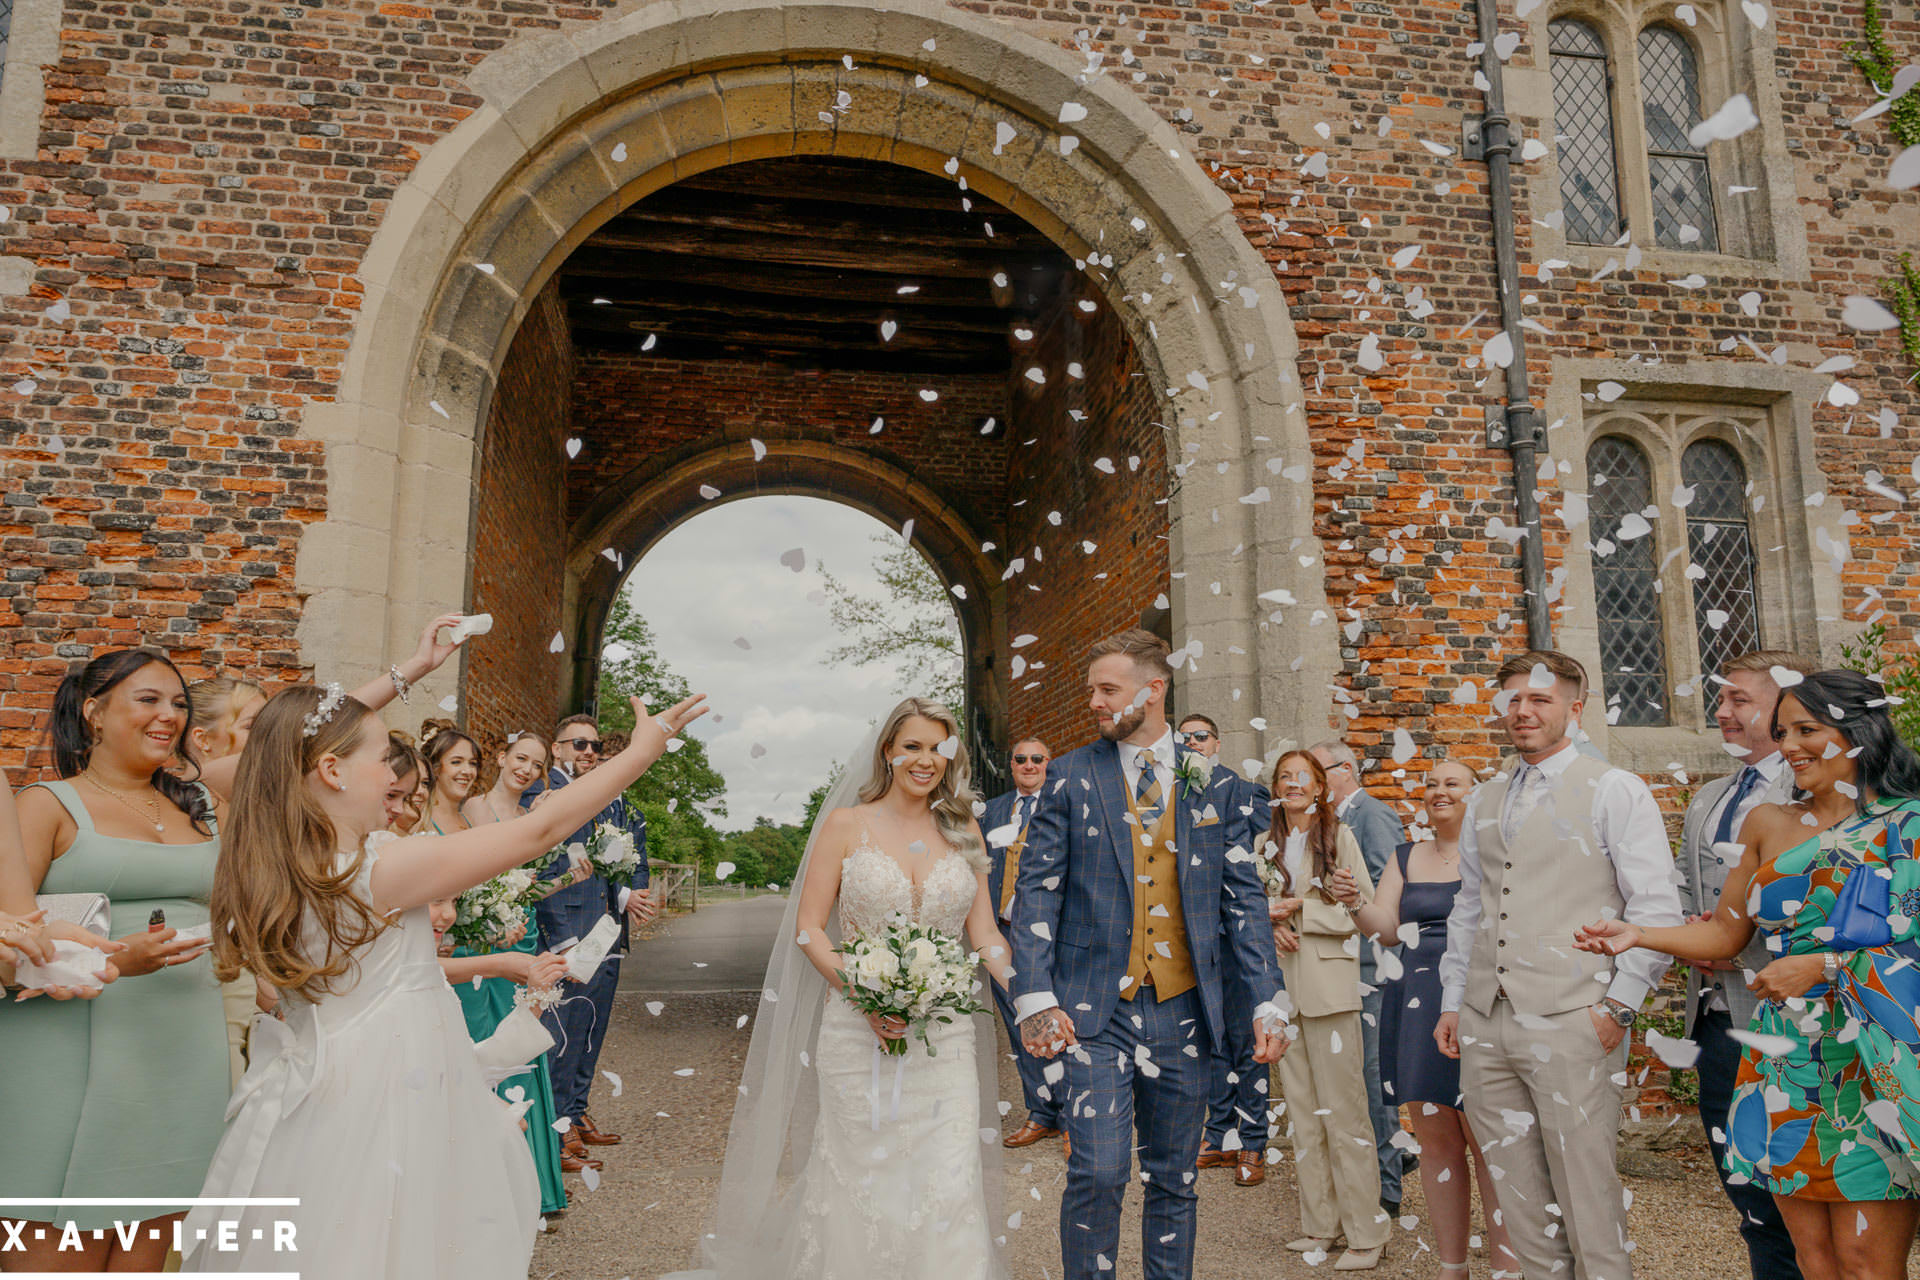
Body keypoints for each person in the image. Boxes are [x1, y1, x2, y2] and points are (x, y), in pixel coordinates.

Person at [187, 681, 705, 1277]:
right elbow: (534, 834)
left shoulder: (291, 859)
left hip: (326, 1092)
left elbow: (249, 771)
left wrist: (323, 722)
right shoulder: (375, 873)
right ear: (329, 770)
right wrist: (640, 751)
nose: (398, 777)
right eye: (383, 758)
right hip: (388, 1096)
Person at [1576, 668, 1920, 1280]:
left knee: (1868, 1261)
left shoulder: (1910, 823)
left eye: (1807, 730)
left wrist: (1828, 964)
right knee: (1811, 1258)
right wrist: (1638, 934)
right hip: (1785, 1061)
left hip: (1875, 1060)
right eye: (1783, 730)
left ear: (1861, 731)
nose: (1788, 746)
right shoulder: (1767, 822)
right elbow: (1726, 935)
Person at [662, 697, 1016, 1280]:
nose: (925, 760)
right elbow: (808, 929)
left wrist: (1028, 997)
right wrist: (869, 998)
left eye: (937, 749)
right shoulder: (848, 824)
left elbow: (984, 932)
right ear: (887, 751)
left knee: (947, 1178)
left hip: (945, 1036)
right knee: (863, 1175)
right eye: (912, 747)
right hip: (857, 1027)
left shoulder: (963, 828)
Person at [1011, 629, 1287, 1280]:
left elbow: (1243, 900)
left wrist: (1268, 998)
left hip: (1185, 1013)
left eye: (1108, 689)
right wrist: (1035, 994)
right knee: (1100, 1169)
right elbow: (1036, 893)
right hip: (1090, 1011)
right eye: (1091, 692)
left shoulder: (1209, 782)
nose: (1096, 703)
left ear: (1153, 689)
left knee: (1174, 1178)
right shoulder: (1070, 777)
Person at [1433, 649, 1684, 1280]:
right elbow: (1470, 907)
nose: (1522, 711)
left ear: (1576, 709)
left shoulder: (1614, 789)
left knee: (1587, 1192)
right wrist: (1453, 1002)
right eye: (1513, 699)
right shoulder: (1486, 796)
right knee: (1518, 1199)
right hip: (1486, 1019)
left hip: (1576, 1015)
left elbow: (1654, 906)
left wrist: (1619, 1007)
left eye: (1539, 699)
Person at [0, 649, 226, 1272]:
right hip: (64, 1051)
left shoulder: (199, 805)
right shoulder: (45, 804)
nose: (170, 716)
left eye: (179, 703)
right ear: (94, 713)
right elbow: (6, 943)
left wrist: (411, 670)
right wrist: (117, 960)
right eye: (149, 699)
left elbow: (298, 747)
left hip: (180, 1053)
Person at [1339, 759, 1516, 1279]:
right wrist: (1354, 902)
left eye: (1452, 784)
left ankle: (1508, 1264)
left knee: (1488, 1140)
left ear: (1475, 794)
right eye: (1432, 784)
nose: (1439, 791)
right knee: (1436, 1141)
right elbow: (1388, 930)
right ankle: (1452, 1265)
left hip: (1479, 997)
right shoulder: (1405, 855)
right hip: (1416, 999)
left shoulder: (1494, 852)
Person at [1675, 651, 1815, 1280]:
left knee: (1803, 1189)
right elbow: (1686, 887)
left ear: (1784, 707)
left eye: (1738, 700)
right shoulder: (1708, 796)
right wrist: (1688, 934)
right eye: (1721, 698)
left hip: (1791, 1021)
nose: (1722, 712)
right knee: (1747, 1188)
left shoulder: (1813, 795)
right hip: (1713, 1017)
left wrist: (1736, 937)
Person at [1262, 749, 1386, 1270]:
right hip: (1283, 995)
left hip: (1332, 991)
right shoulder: (1261, 845)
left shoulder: (1341, 838)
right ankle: (1321, 1226)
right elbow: (1250, 913)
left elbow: (1363, 911)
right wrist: (1270, 923)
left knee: (1346, 1114)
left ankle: (1366, 1233)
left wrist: (1301, 911)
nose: (1292, 784)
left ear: (1319, 789)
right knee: (1304, 1118)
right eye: (1284, 777)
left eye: (1302, 778)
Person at [522, 712, 657, 1170]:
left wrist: (626, 897)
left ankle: (576, 1114)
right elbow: (541, 868)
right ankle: (557, 1130)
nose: (588, 753)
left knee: (589, 1030)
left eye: (593, 747)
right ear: (556, 748)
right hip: (569, 932)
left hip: (605, 928)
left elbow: (615, 861)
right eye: (578, 745)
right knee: (564, 1032)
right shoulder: (542, 795)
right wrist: (560, 940)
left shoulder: (602, 797)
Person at [447, 727, 574, 1212]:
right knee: (489, 1041)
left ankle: (534, 1181)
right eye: (520, 758)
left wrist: (564, 878)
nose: (525, 769)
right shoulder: (471, 810)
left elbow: (523, 889)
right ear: (501, 757)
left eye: (536, 765)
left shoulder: (527, 816)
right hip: (480, 938)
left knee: (523, 1039)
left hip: (517, 934)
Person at [1310, 737, 1409, 1212]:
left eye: (1317, 769)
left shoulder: (1371, 815)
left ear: (1344, 769)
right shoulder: (1322, 822)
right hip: (1336, 969)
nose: (1309, 780)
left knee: (1374, 1079)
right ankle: (1388, 1165)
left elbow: (1389, 888)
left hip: (1372, 969)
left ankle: (1388, 1191)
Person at [1187, 713, 1279, 1188]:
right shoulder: (1174, 793)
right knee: (1212, 1041)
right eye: (1184, 738)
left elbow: (1264, 851)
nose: (1193, 743)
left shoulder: (1243, 791)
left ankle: (1254, 1143)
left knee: (1248, 1044)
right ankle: (1219, 1135)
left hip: (1239, 936)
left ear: (1217, 743)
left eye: (1200, 736)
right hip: (1197, 942)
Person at [981, 734, 1061, 1149]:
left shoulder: (1064, 804)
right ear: (1011, 766)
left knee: (1056, 1017)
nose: (1029, 765)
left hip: (1051, 933)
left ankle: (1073, 1116)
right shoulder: (991, 812)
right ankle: (1042, 1112)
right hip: (1001, 930)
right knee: (1019, 1024)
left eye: (1037, 758)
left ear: (1048, 763)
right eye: (1020, 759)